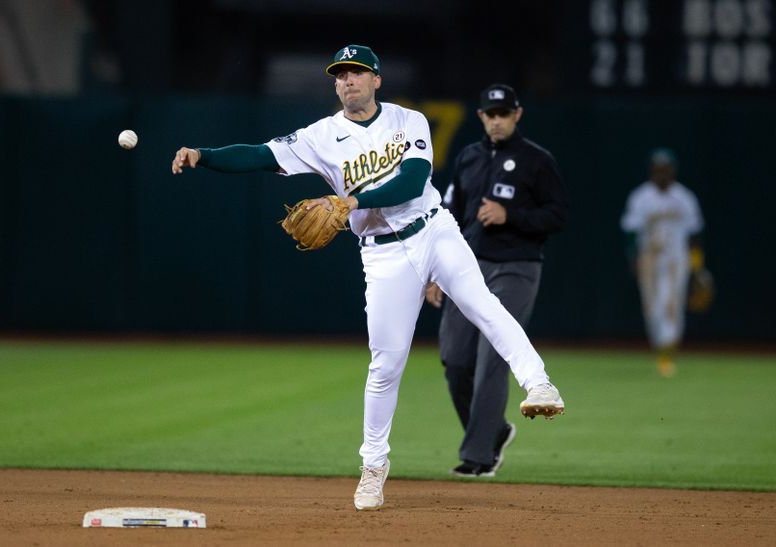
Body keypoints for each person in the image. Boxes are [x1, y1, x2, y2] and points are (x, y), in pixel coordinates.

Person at [171, 45, 564, 511]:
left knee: (482, 304)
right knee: (385, 364)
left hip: (434, 231)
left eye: (356, 73)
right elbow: (260, 155)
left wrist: (351, 202)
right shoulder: (321, 135)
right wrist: (204, 155)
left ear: (377, 80)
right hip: (382, 256)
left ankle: (539, 383)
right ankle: (373, 467)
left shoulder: (408, 120)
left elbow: (414, 181)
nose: (347, 81)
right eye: (340, 75)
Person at [425, 84, 568, 478]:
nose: (497, 120)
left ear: (517, 115)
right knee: (455, 360)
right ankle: (496, 431)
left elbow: (558, 214)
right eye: (491, 113)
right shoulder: (469, 158)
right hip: (466, 268)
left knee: (492, 356)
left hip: (516, 267)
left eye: (504, 113)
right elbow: (444, 216)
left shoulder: (536, 160)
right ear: (481, 117)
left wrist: (512, 216)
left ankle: (479, 456)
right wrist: (435, 271)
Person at [620, 148, 705, 377]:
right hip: (649, 258)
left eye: (666, 170)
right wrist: (634, 259)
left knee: (671, 304)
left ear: (673, 171)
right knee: (652, 308)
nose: (662, 175)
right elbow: (631, 232)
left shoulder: (684, 197)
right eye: (658, 170)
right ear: (652, 172)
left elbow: (694, 234)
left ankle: (668, 354)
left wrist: (697, 266)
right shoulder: (641, 197)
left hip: (677, 259)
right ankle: (662, 348)